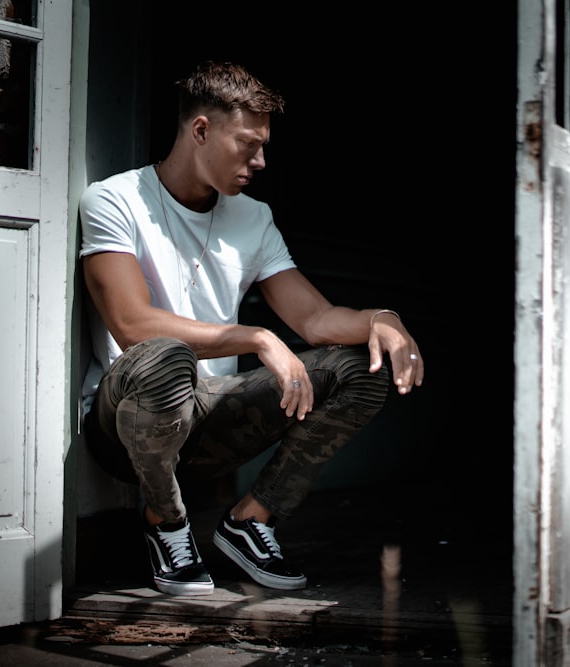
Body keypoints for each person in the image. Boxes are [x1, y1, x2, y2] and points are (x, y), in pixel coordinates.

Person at [78, 61, 424, 596]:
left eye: (264, 145)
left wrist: (384, 319)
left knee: (360, 368)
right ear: (200, 131)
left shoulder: (253, 218)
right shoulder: (116, 199)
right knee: (167, 355)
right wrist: (259, 338)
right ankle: (165, 523)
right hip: (124, 422)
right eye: (247, 144)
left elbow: (314, 319)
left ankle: (250, 522)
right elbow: (130, 323)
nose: (260, 161)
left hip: (207, 421)